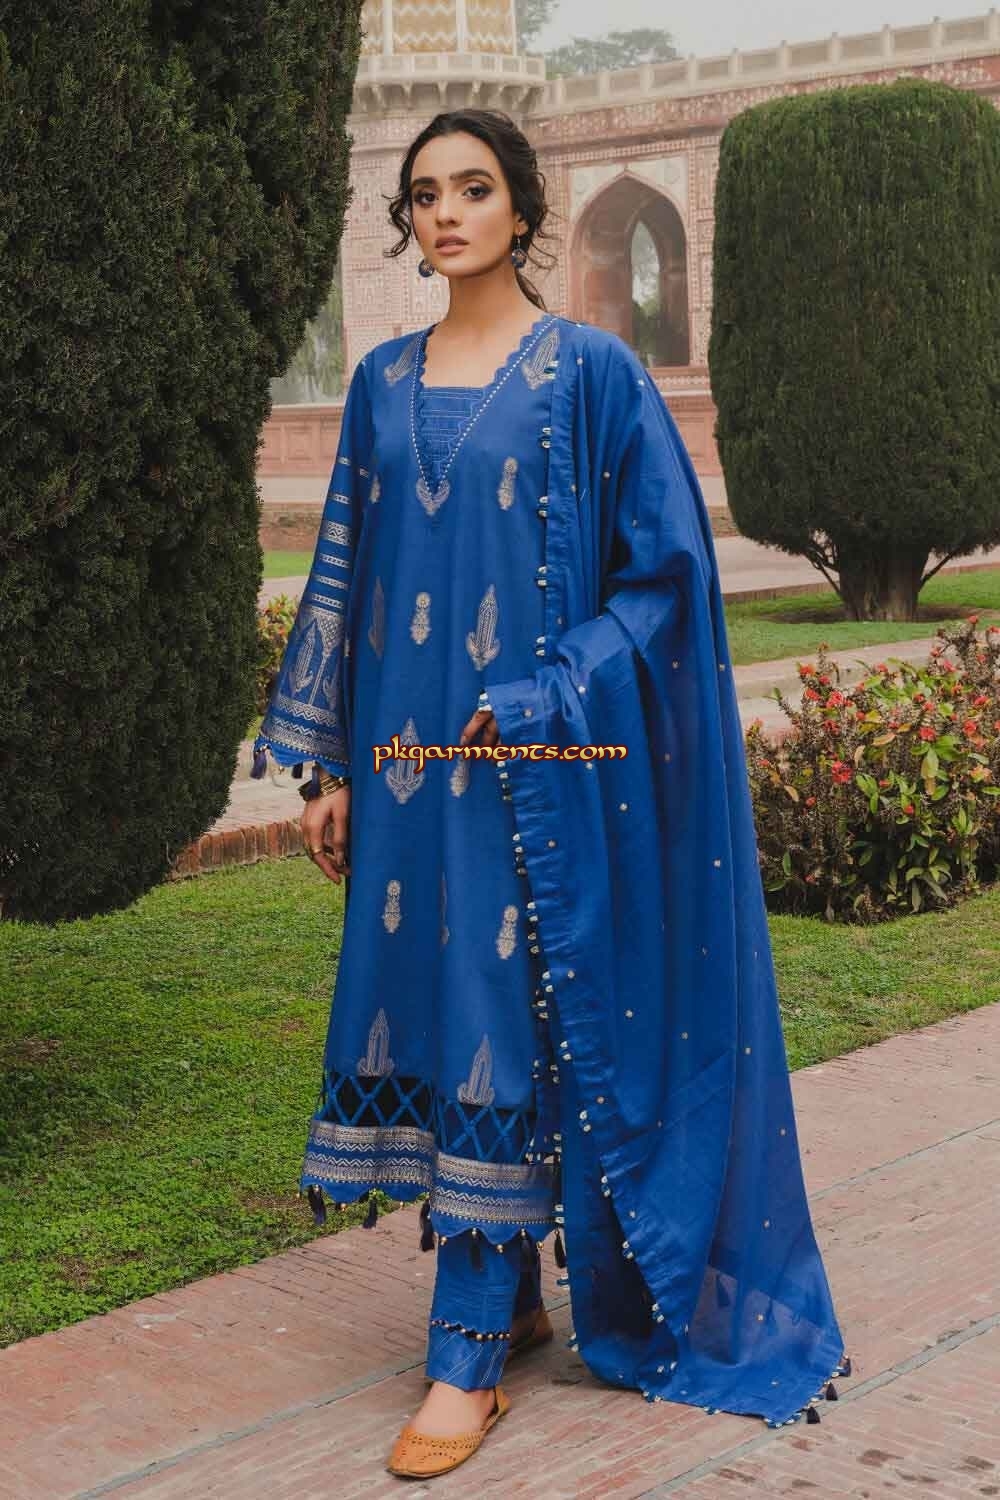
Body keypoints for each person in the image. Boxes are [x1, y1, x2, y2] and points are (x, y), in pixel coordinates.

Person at [252, 107, 848, 1480]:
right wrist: (329, 767)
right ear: (407, 224)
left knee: (499, 1014)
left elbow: (664, 580)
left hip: (529, 766)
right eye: (424, 195)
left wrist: (549, 688)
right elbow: (343, 568)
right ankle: (513, 1293)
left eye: (473, 189)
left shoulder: (590, 375)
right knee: (431, 1001)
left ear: (522, 209)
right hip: (407, 771)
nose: (446, 212)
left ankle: (465, 1351)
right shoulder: (381, 384)